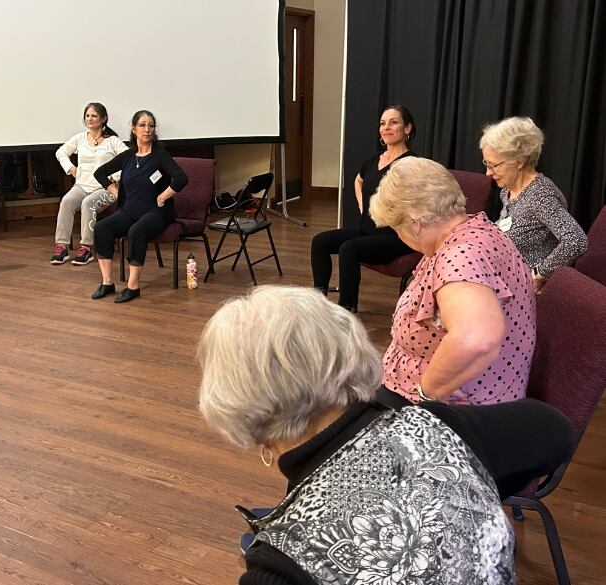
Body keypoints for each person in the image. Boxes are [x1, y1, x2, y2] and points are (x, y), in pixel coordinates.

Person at [197, 285, 572, 585]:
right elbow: (553, 429)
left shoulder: (279, 566)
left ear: (242, 413)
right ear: (347, 349)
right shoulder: (435, 427)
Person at [369, 156, 536, 405]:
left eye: (396, 228)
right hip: (464, 392)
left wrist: (426, 393)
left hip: (455, 410)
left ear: (415, 224)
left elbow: (476, 338)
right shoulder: (478, 228)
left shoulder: (460, 255)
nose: (398, 236)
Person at [310, 105, 417, 311]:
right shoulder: (375, 159)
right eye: (382, 123)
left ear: (407, 129)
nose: (386, 128)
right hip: (367, 230)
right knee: (320, 241)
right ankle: (318, 304)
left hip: (395, 236)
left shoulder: (412, 163)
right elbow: (358, 180)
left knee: (349, 249)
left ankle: (345, 310)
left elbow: (419, 200)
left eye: (393, 122)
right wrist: (362, 204)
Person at [480, 116, 587, 292]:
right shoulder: (507, 190)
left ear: (519, 161)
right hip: (502, 276)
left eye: (494, 165)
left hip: (523, 290)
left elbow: (576, 241)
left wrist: (539, 273)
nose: (487, 173)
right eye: (486, 164)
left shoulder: (541, 195)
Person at [91, 110, 188, 303]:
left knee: (136, 231)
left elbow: (181, 178)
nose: (147, 129)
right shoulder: (127, 156)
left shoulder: (160, 156)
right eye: (142, 125)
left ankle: (133, 287)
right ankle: (107, 282)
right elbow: (100, 173)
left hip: (158, 211)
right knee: (102, 228)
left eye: (151, 125)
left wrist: (164, 195)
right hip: (130, 210)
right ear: (133, 129)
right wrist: (115, 191)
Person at [51, 102, 128, 265]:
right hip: (82, 185)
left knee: (88, 204)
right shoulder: (80, 138)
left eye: (94, 115)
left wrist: (114, 177)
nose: (90, 119)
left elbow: (129, 160)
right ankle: (61, 246)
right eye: (87, 116)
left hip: (105, 188)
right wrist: (71, 168)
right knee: (66, 202)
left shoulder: (112, 141)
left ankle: (86, 247)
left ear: (104, 118)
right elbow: (61, 152)